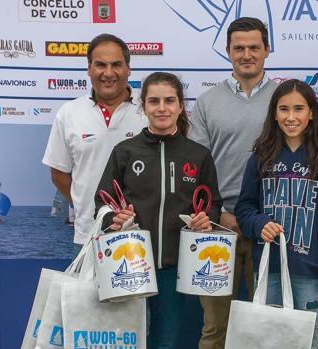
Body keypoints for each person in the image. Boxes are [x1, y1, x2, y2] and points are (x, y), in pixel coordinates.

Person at [95, 72, 223, 348]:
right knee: (129, 339)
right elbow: (102, 201)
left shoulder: (198, 155)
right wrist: (112, 219)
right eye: (154, 101)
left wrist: (206, 219)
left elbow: (213, 203)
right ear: (143, 106)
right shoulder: (125, 151)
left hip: (174, 267)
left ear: (180, 106)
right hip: (128, 263)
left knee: (165, 341)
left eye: (169, 101)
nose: (161, 108)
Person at [235, 79, 318, 349]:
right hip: (268, 268)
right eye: (283, 109)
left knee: (310, 341)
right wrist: (259, 223)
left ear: (311, 113)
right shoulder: (261, 157)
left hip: (311, 271)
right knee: (268, 342)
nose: (291, 117)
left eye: (299, 109)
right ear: (274, 114)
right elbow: (244, 208)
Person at [189, 16, 278, 349]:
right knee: (215, 329)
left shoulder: (284, 99)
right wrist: (219, 215)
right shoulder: (208, 102)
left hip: (270, 228)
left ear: (267, 50)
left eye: (254, 47)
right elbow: (195, 168)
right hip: (219, 229)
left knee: (268, 324)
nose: (246, 54)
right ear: (227, 52)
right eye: (238, 48)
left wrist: (260, 220)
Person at [42, 33, 147, 250]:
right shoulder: (69, 113)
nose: (108, 73)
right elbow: (59, 175)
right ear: (89, 68)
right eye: (100, 65)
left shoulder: (149, 110)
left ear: (128, 69)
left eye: (116, 64)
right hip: (87, 237)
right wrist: (84, 206)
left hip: (142, 236)